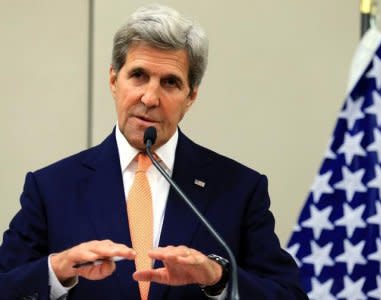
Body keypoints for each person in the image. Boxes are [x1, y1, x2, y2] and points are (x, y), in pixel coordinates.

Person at [0, 4, 307, 300]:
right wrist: (56, 271)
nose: (149, 97)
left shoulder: (239, 189)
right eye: (139, 76)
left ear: (191, 96)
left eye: (170, 82)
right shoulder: (52, 188)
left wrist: (219, 278)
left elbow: (289, 294)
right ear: (113, 80)